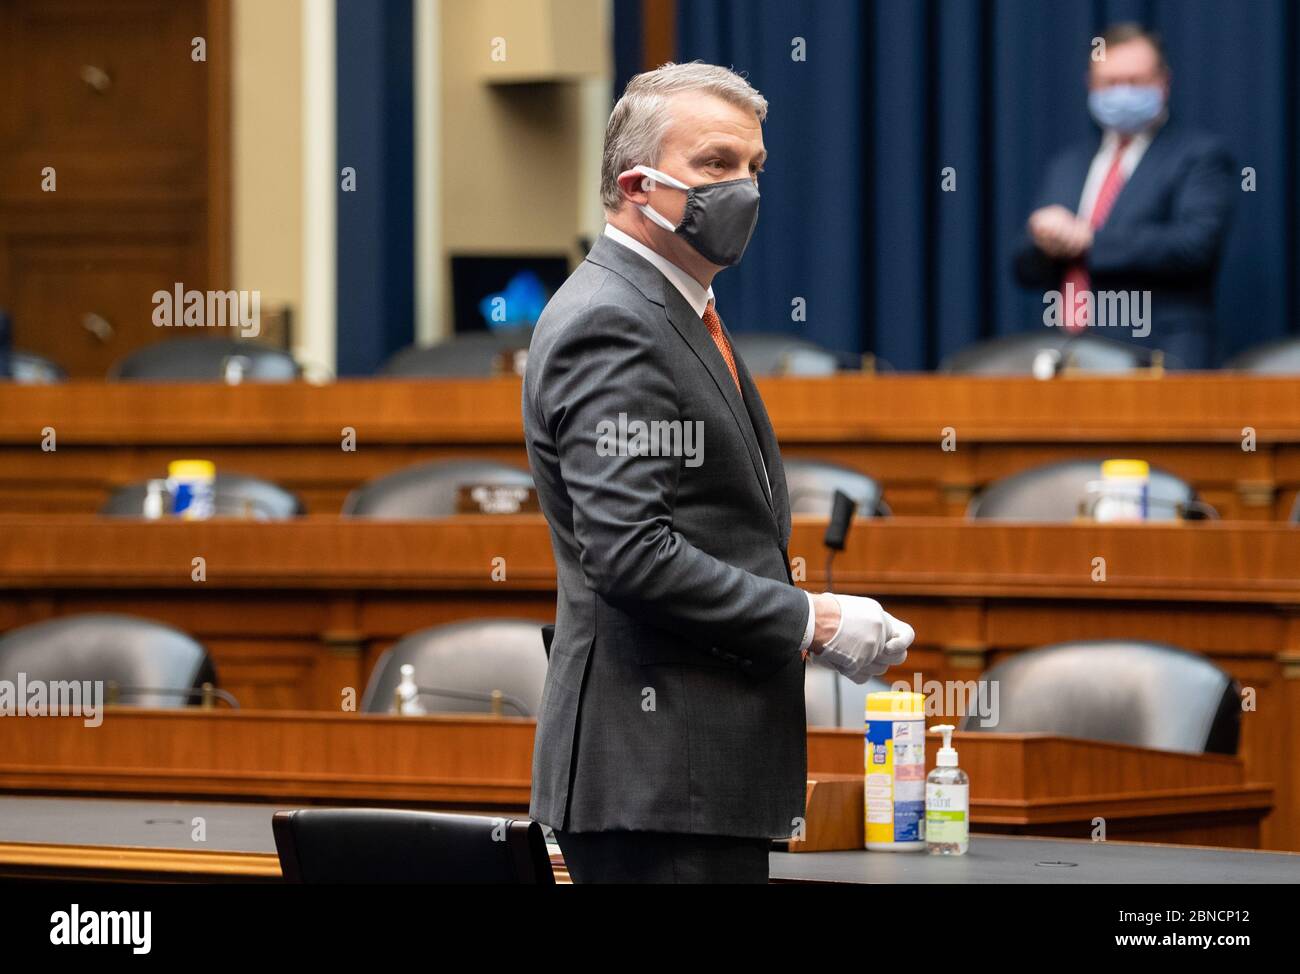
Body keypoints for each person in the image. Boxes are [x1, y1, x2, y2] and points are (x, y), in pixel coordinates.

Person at [521, 62, 914, 883]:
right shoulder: (614, 322)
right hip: (658, 776)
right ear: (638, 183)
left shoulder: (676, 310)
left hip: (693, 779)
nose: (744, 189)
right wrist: (815, 620)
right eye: (715, 164)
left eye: (754, 168)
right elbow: (631, 553)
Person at [1014, 23, 1235, 369]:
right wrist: (1044, 241)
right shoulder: (1069, 163)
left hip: (1162, 355)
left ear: (1163, 81)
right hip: (1071, 357)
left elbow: (1194, 246)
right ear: (1091, 85)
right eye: (1110, 83)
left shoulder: (1198, 156)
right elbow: (1024, 267)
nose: (1122, 92)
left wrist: (1088, 239)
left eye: (1135, 81)